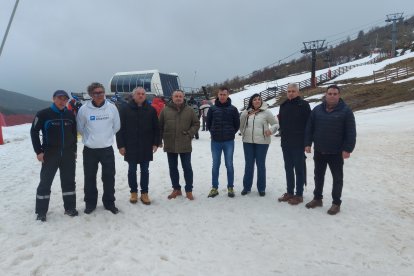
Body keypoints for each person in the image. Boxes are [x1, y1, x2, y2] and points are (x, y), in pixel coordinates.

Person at [304, 84, 356, 215]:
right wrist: (308, 143)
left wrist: (348, 149)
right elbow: (309, 128)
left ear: (339, 95)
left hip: (336, 152)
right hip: (320, 150)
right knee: (318, 176)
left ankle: (336, 203)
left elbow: (351, 132)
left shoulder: (346, 111)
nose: (332, 96)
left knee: (337, 178)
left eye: (335, 94)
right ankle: (317, 199)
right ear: (325, 95)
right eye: (330, 93)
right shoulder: (317, 110)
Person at [30, 90, 78, 222]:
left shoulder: (70, 114)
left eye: (65, 99)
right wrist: (38, 151)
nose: (62, 101)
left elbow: (74, 134)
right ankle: (41, 212)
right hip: (50, 153)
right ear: (53, 99)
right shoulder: (43, 114)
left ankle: (69, 208)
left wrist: (74, 150)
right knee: (45, 182)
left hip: (68, 153)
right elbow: (34, 132)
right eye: (59, 98)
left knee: (69, 182)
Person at [77, 82, 121, 214]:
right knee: (89, 177)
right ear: (91, 94)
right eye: (96, 93)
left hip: (107, 149)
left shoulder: (112, 108)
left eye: (101, 92)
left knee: (109, 177)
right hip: (90, 150)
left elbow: (116, 126)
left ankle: (109, 202)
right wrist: (92, 138)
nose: (99, 95)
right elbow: (80, 128)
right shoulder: (84, 109)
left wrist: (105, 136)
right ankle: (90, 203)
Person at [116, 87, 161, 205]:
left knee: (145, 170)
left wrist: (156, 143)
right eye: (138, 94)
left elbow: (156, 128)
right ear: (133, 95)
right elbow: (119, 129)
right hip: (130, 145)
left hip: (146, 145)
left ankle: (145, 193)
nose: (141, 96)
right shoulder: (125, 109)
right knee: (132, 170)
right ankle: (133, 192)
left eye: (143, 94)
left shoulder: (151, 110)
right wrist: (120, 145)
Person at [159, 90, 200, 200]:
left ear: (183, 98)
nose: (178, 98)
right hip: (170, 143)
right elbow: (160, 126)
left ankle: (189, 190)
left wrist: (190, 134)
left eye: (180, 96)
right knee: (173, 168)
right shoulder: (165, 110)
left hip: (184, 143)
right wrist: (160, 139)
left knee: (187, 167)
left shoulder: (189, 110)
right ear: (172, 97)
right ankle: (176, 189)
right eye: (176, 96)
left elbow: (196, 124)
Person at [277, 83, 311, 205]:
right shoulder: (284, 105)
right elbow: (281, 124)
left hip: (299, 143)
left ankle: (299, 194)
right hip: (286, 143)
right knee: (288, 168)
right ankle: (290, 192)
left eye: (293, 91)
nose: (291, 93)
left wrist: (307, 143)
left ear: (298, 92)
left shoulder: (304, 105)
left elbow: (309, 125)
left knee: (299, 169)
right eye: (289, 91)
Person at [239, 94, 278, 197]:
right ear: (251, 101)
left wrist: (271, 130)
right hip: (247, 142)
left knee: (260, 165)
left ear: (261, 101)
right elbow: (241, 125)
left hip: (262, 143)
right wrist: (243, 133)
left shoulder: (267, 112)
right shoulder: (246, 112)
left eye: (259, 99)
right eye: (255, 99)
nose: (257, 101)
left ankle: (261, 188)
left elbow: (276, 124)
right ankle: (246, 187)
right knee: (249, 165)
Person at [206, 87, 240, 198]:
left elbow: (237, 125)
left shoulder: (233, 109)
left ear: (228, 95)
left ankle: (230, 187)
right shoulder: (212, 109)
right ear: (218, 95)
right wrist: (214, 133)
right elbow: (209, 123)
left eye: (224, 94)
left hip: (228, 142)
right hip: (215, 142)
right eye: (220, 94)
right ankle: (214, 188)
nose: (222, 96)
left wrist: (230, 133)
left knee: (229, 164)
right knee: (215, 165)